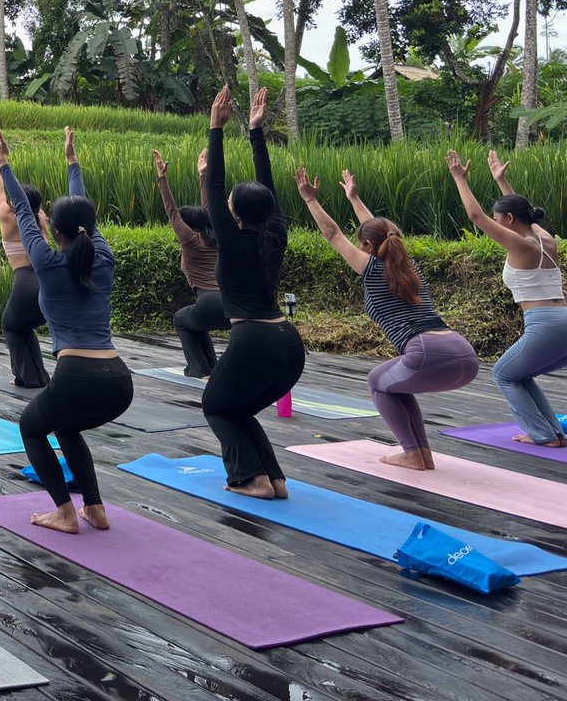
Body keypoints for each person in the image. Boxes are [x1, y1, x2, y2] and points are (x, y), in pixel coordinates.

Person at [0, 125, 132, 535]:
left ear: (57, 233)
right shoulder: (104, 257)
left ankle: (66, 512)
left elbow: (23, 212)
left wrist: (2, 163)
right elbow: (84, 214)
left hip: (76, 375)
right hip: (119, 381)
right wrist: (71, 162)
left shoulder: (46, 263)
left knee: (31, 427)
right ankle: (95, 509)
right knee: (65, 426)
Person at [296, 166, 478, 469]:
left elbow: (332, 234)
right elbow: (380, 230)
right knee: (393, 384)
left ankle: (412, 452)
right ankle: (421, 454)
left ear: (367, 247)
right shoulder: (410, 268)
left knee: (376, 380)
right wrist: (354, 199)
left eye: (362, 244)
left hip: (427, 353)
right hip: (464, 353)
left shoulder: (371, 268)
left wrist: (310, 201)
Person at [201, 85, 304, 499]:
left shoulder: (233, 238)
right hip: (288, 344)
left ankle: (251, 480)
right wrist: (256, 131)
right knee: (237, 407)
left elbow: (214, 184)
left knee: (215, 405)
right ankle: (273, 478)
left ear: (236, 213)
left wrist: (216, 128)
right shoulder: (275, 232)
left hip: (253, 341)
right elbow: (268, 188)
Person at [446, 149, 567, 448]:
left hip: (546, 324)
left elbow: (476, 216)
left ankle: (542, 435)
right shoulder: (545, 238)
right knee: (520, 375)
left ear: (509, 220)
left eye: (500, 219)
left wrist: (460, 179)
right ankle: (554, 434)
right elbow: (523, 213)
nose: (497, 224)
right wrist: (503, 182)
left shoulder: (520, 244)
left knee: (503, 374)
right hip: (562, 318)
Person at [153, 148, 225, 379]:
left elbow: (170, 210)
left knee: (181, 320)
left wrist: (162, 178)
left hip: (210, 300)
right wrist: (203, 176)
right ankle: (211, 367)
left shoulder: (189, 239)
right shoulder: (217, 236)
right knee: (193, 321)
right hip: (234, 302)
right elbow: (208, 210)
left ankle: (200, 370)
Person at [0, 166, 48, 389]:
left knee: (10, 325)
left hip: (26, 279)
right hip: (47, 280)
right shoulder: (41, 218)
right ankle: (40, 377)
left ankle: (25, 378)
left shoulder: (8, 217)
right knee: (22, 326)